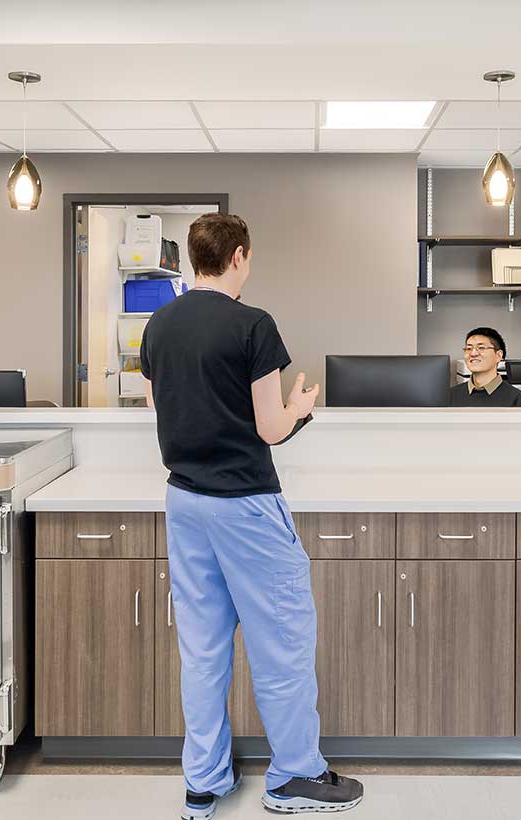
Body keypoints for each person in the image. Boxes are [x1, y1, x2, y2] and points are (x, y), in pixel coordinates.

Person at [139, 212, 364, 819]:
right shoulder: (252, 324)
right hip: (244, 503)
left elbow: (159, 405)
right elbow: (269, 428)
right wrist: (299, 407)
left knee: (202, 650)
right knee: (282, 644)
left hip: (185, 502)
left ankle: (203, 782)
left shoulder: (159, 323)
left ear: (194, 258)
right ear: (238, 256)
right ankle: (295, 777)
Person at [449, 326, 521, 407]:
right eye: (469, 348)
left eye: (481, 348)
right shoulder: (451, 395)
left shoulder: (516, 399)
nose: (473, 353)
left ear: (498, 355)